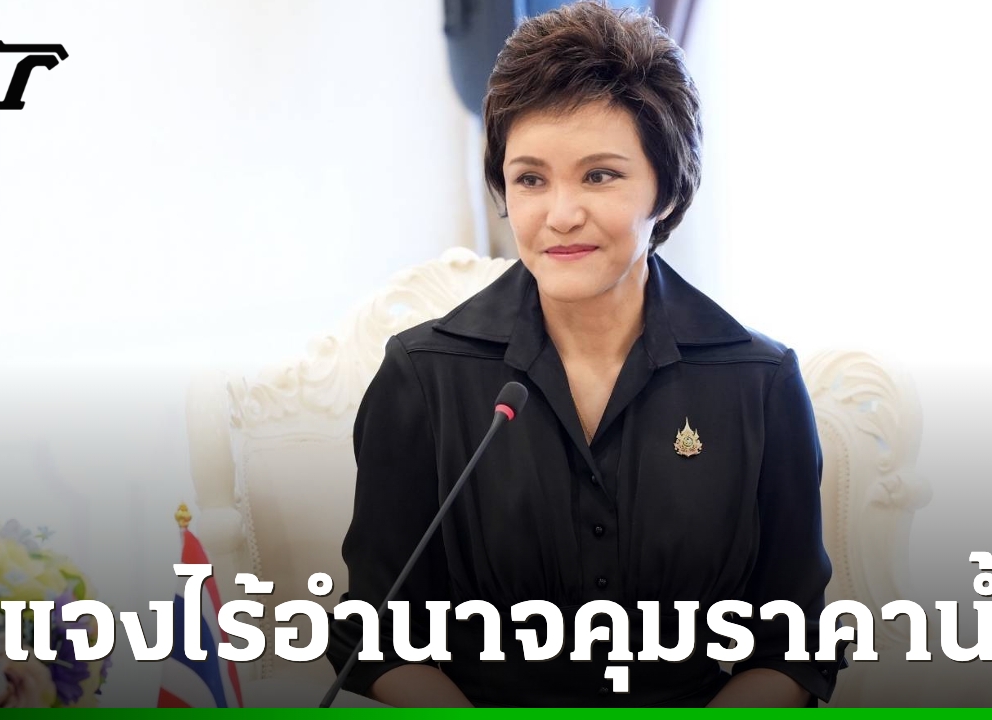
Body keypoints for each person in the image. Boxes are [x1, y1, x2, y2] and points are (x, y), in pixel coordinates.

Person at [327, 1, 845, 707]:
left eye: (599, 175)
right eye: (530, 179)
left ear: (666, 189)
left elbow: (796, 646)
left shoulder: (759, 383)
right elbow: (375, 638)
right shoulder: (423, 379)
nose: (561, 214)